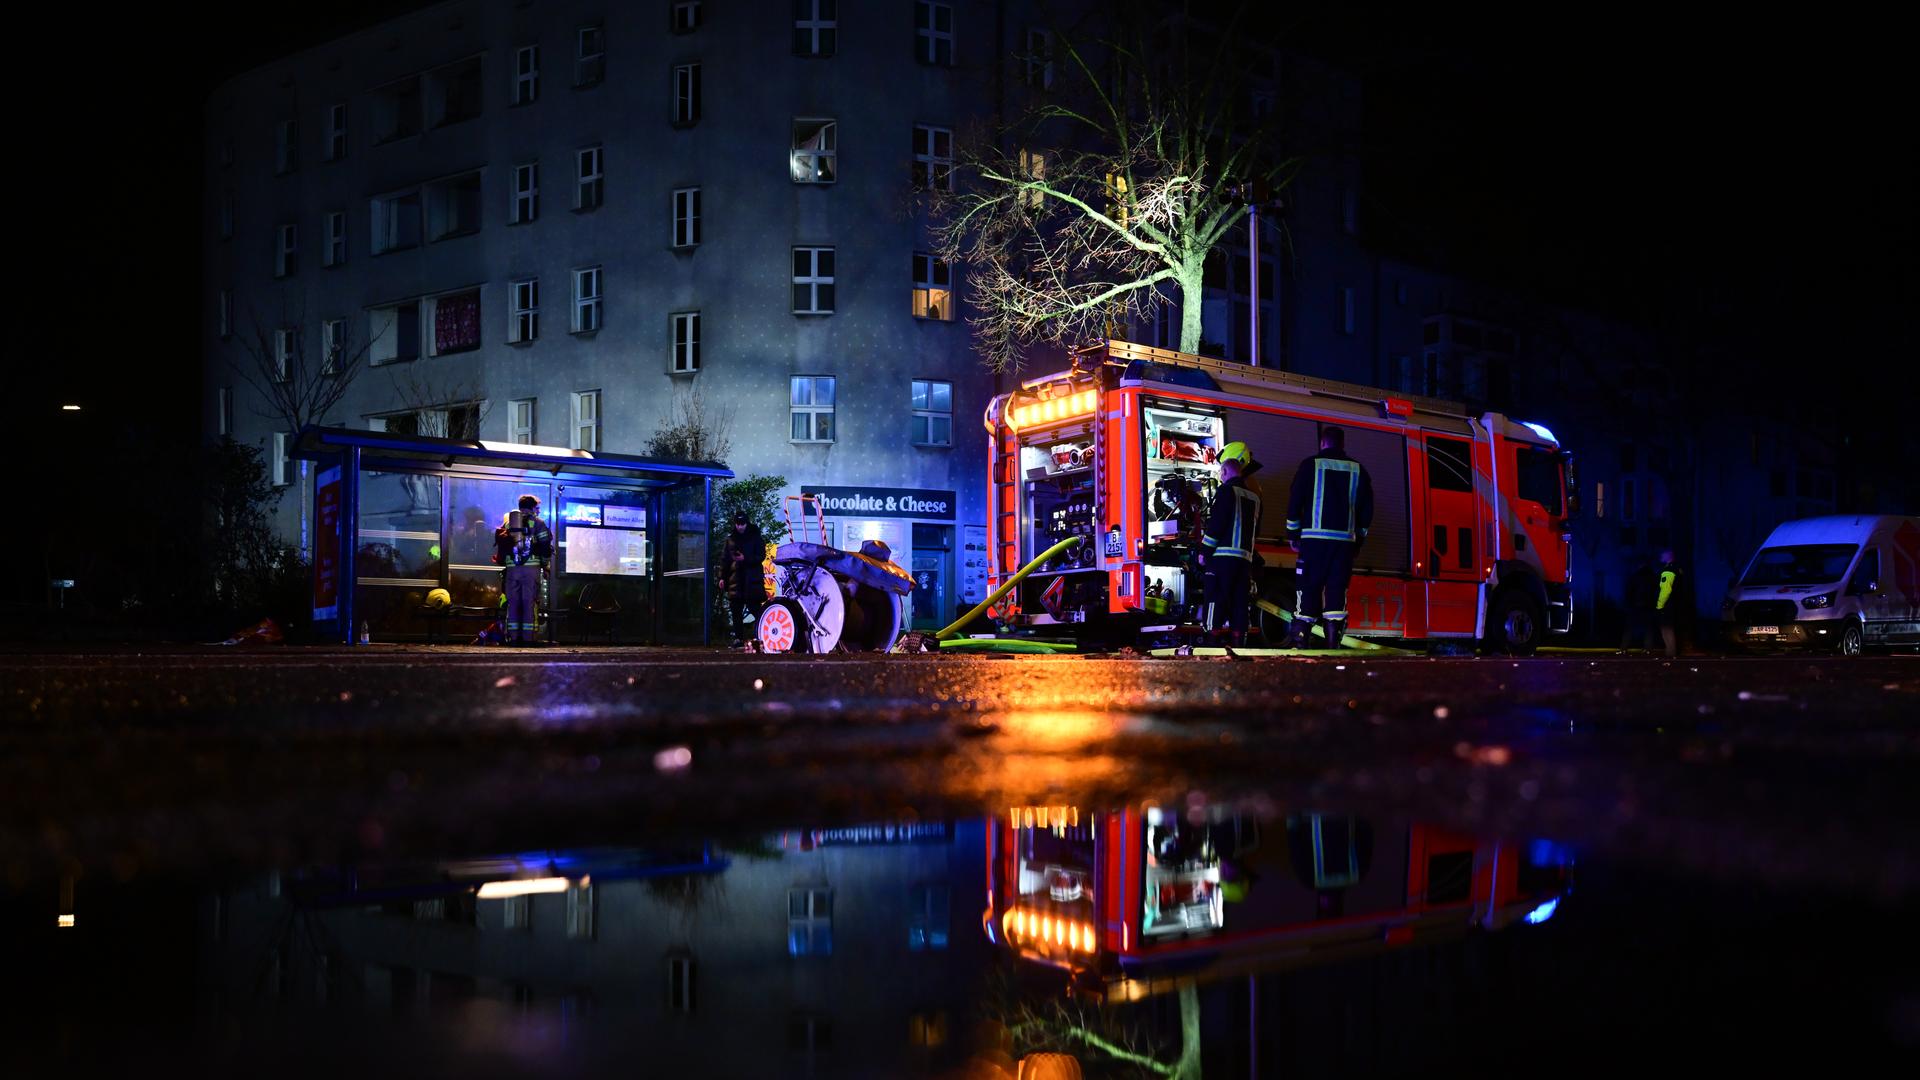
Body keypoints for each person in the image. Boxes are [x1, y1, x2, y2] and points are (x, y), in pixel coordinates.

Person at [1282, 426, 1374, 649]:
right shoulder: (1359, 470)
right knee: (1336, 593)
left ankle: (1302, 645)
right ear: (1342, 444)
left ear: (1322, 443)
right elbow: (1366, 511)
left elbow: (1295, 502)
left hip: (1313, 543)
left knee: (1308, 591)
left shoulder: (1309, 465)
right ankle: (1333, 646)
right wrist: (1358, 541)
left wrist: (1293, 534)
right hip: (1343, 545)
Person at [1200, 442, 1263, 647]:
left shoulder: (1226, 491)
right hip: (1244, 561)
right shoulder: (1254, 497)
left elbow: (1217, 525)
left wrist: (1203, 552)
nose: (1220, 476)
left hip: (1221, 560)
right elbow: (1256, 529)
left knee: (1215, 600)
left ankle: (1211, 642)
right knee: (1239, 604)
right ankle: (1239, 644)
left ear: (1226, 471)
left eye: (1221, 472)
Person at [494, 494, 553, 646]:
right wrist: (546, 565)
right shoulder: (538, 523)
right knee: (529, 603)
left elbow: (502, 545)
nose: (538, 511)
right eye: (537, 508)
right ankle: (528, 639)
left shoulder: (507, 524)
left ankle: (513, 638)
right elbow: (545, 547)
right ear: (533, 507)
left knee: (513, 604)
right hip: (531, 570)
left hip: (512, 570)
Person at [721, 511, 767, 644]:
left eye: (742, 524)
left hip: (751, 580)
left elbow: (761, 556)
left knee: (755, 609)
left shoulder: (755, 537)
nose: (740, 527)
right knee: (736, 610)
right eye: (738, 524)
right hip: (736, 580)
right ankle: (738, 638)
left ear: (747, 523)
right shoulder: (731, 539)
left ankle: (762, 635)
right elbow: (725, 560)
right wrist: (722, 578)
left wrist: (745, 558)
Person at [1618, 555, 1658, 654]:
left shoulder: (1634, 576)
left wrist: (1628, 604)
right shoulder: (1653, 576)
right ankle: (1648, 649)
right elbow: (1655, 591)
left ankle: (1623, 648)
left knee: (1629, 628)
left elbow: (1629, 591)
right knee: (1648, 629)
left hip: (1635, 605)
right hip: (1649, 606)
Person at [1655, 548, 1685, 657]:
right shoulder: (1678, 568)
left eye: (1663, 555)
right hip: (1677, 604)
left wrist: (1659, 605)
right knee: (1673, 628)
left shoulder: (1668, 570)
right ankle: (1673, 652)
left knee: (1666, 629)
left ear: (1668, 557)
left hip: (1668, 605)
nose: (1660, 557)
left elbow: (1665, 590)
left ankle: (1671, 653)